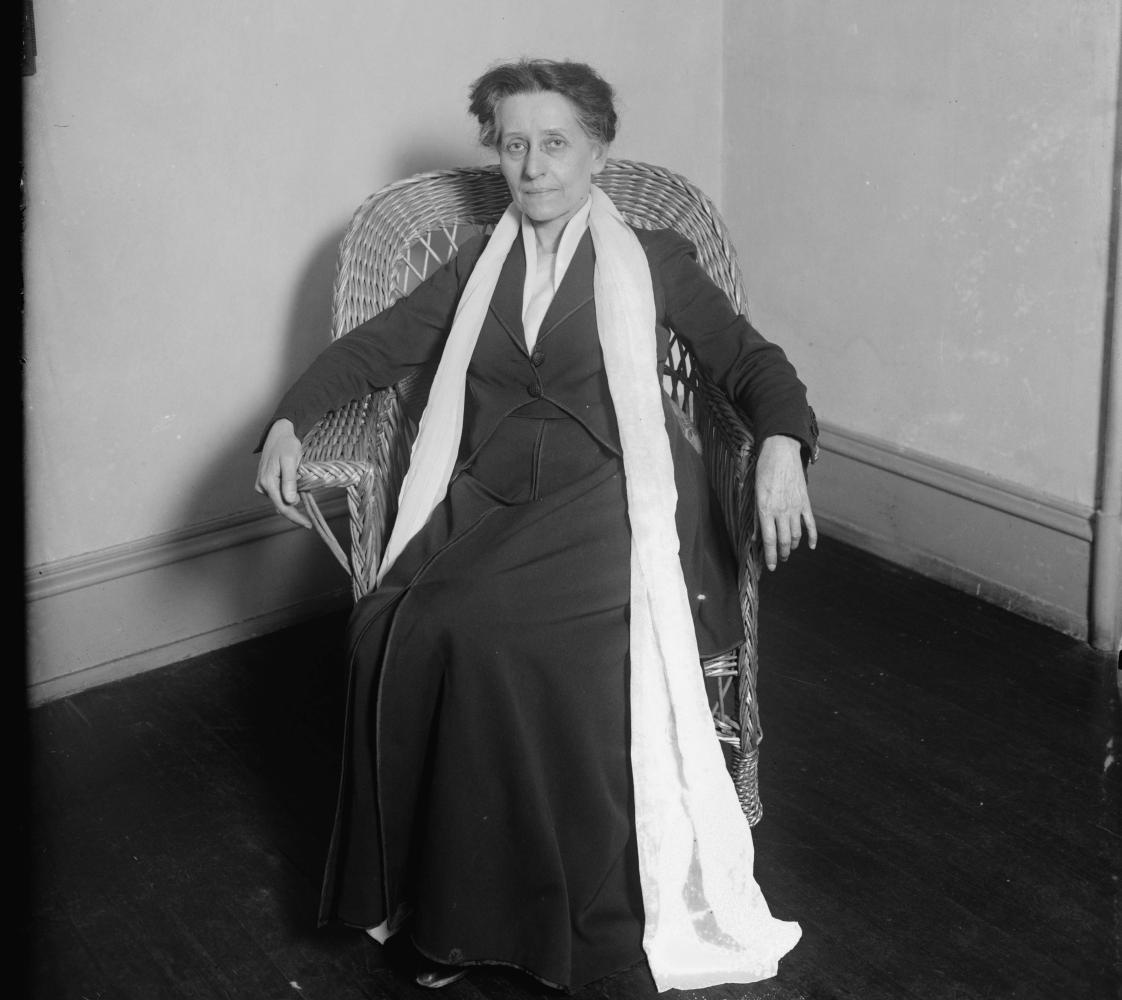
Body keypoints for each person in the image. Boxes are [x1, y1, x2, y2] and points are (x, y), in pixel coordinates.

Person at [256, 58, 816, 994]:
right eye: (515, 144)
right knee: (399, 627)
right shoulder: (476, 263)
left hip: (612, 499)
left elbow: (752, 365)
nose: (535, 166)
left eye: (556, 143)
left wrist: (782, 443)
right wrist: (287, 420)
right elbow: (374, 349)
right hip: (483, 499)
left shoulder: (654, 258)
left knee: (501, 641)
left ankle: (554, 917)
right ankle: (441, 912)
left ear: (597, 152)